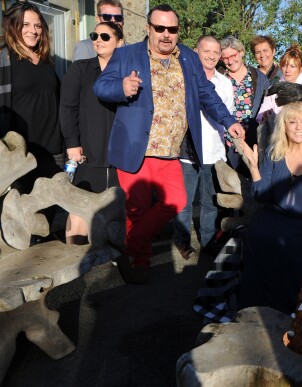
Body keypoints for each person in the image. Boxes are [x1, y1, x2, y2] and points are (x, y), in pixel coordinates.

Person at [93, 5, 244, 284]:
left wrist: (228, 120)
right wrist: (120, 88)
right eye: (160, 28)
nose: (166, 34)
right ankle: (139, 262)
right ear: (149, 28)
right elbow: (101, 86)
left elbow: (206, 94)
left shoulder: (188, 57)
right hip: (136, 147)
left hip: (171, 152)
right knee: (136, 210)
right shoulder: (126, 54)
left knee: (176, 201)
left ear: (177, 31)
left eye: (172, 29)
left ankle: (128, 246)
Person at [238, 101, 302, 314]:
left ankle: (293, 306)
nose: (298, 127)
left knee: (290, 242)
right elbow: (262, 196)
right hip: (273, 214)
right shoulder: (273, 153)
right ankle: (257, 304)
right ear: (283, 126)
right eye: (292, 122)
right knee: (256, 234)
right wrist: (254, 169)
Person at [59, 21, 124, 245]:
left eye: (105, 36)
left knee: (117, 212)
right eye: (94, 35)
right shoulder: (81, 69)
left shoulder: (129, 72)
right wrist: (72, 143)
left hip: (119, 156)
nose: (98, 39)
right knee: (79, 211)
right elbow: (68, 108)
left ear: (120, 42)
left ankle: (117, 258)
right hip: (87, 152)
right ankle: (73, 269)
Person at [172, 35, 234, 258]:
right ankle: (182, 241)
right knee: (184, 202)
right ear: (196, 52)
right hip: (187, 152)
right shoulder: (183, 78)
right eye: (206, 51)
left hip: (214, 153)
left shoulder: (225, 83)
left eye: (215, 52)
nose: (210, 56)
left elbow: (226, 115)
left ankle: (208, 241)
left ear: (220, 56)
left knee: (210, 202)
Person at [0, 2, 63, 194]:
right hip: (22, 156)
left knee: (52, 214)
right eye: (25, 25)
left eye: (37, 25)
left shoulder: (45, 60)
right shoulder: (4, 57)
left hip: (54, 153)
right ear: (13, 25)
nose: (33, 31)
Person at [219, 36, 269, 170]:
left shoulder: (258, 77)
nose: (230, 61)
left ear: (241, 52)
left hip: (252, 141)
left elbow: (268, 104)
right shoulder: (219, 77)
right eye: (225, 58)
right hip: (226, 142)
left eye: (233, 55)